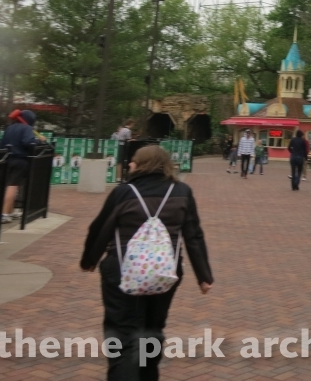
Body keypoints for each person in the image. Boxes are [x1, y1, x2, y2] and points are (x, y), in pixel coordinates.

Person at [80, 145, 212, 381]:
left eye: (132, 161)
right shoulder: (182, 191)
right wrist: (204, 276)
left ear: (141, 164)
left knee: (123, 334)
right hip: (164, 273)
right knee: (152, 329)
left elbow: (101, 227)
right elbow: (193, 235)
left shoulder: (124, 192)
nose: (129, 165)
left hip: (121, 271)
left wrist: (90, 259)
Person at [0, 109, 46, 223]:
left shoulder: (10, 128)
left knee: (9, 185)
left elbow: (1, 144)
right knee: (13, 187)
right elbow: (28, 142)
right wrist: (40, 141)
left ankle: (10, 211)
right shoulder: (27, 128)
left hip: (7, 159)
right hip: (20, 159)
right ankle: (4, 214)